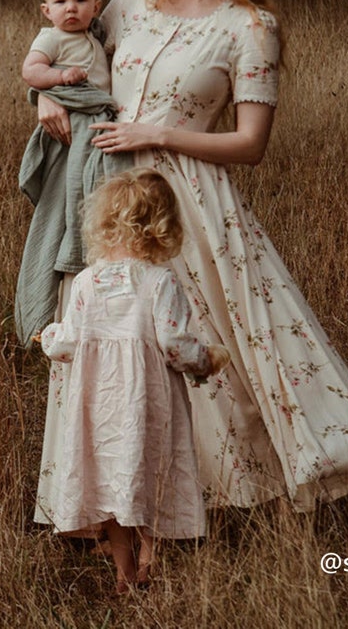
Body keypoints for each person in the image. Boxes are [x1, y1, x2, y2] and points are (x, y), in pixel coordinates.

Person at [36, 0, 348, 513]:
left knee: (214, 343)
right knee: (113, 346)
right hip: (110, 201)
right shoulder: (128, 6)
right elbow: (68, 55)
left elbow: (251, 143)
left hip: (192, 201)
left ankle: (229, 494)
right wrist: (46, 92)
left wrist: (157, 133)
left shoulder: (250, 27)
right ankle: (115, 501)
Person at [37, 168, 229, 594]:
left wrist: (47, 337)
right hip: (148, 401)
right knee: (149, 470)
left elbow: (67, 341)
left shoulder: (87, 281)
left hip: (99, 403)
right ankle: (150, 556)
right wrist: (207, 360)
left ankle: (124, 573)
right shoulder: (160, 282)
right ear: (163, 227)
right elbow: (175, 346)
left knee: (109, 476)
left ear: (103, 224)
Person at [16, 0, 132, 347]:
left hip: (98, 119)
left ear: (96, 6)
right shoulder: (50, 37)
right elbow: (31, 71)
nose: (71, 8)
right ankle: (71, 259)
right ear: (46, 10)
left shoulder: (94, 36)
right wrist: (56, 82)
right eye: (61, 2)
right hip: (78, 122)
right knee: (77, 195)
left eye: (80, 1)